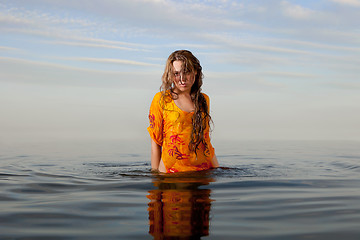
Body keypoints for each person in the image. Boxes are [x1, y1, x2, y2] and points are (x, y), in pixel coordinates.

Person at [147, 50, 219, 173]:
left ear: (195, 71)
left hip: (203, 172)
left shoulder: (203, 100)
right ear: (170, 75)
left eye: (186, 72)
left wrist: (217, 169)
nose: (182, 79)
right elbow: (156, 143)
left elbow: (206, 141)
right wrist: (156, 177)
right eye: (176, 73)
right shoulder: (162, 99)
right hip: (171, 174)